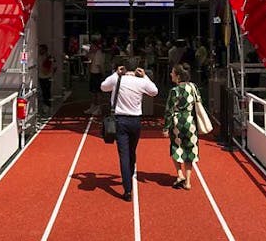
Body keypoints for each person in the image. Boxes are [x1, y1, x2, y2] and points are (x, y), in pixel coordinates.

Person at [101, 57, 158, 201]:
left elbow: (103, 87)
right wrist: (145, 76)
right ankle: (129, 175)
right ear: (137, 68)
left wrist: (115, 74)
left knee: (124, 155)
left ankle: (127, 189)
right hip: (135, 121)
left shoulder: (117, 79)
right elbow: (154, 91)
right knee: (132, 151)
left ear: (123, 68)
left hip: (121, 120)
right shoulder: (142, 81)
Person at [163, 63, 200, 190]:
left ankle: (179, 174)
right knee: (189, 149)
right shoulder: (193, 87)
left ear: (178, 76)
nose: (171, 74)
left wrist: (165, 127)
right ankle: (188, 181)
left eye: (172, 72)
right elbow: (198, 101)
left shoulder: (174, 91)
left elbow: (169, 110)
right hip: (190, 121)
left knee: (176, 147)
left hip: (177, 122)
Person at [85, 41, 106, 115]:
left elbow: (99, 66)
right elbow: (87, 57)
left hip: (97, 74)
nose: (91, 48)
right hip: (93, 74)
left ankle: (99, 108)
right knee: (93, 92)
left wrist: (103, 75)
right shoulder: (93, 53)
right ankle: (93, 106)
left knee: (98, 92)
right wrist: (89, 51)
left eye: (92, 46)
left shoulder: (98, 54)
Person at [38, 44, 53, 112]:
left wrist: (50, 72)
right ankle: (46, 105)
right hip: (41, 76)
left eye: (42, 49)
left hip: (47, 76)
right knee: (44, 92)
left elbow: (52, 66)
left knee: (47, 92)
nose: (40, 50)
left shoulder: (48, 57)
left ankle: (48, 105)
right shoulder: (38, 56)